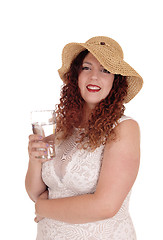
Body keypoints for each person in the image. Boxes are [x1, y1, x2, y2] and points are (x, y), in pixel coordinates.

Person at [25, 36, 143, 239]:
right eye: (86, 68)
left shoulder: (124, 128)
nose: (94, 77)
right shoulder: (62, 127)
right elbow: (37, 193)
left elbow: (105, 206)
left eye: (105, 70)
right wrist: (34, 160)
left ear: (116, 81)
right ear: (76, 75)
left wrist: (42, 207)